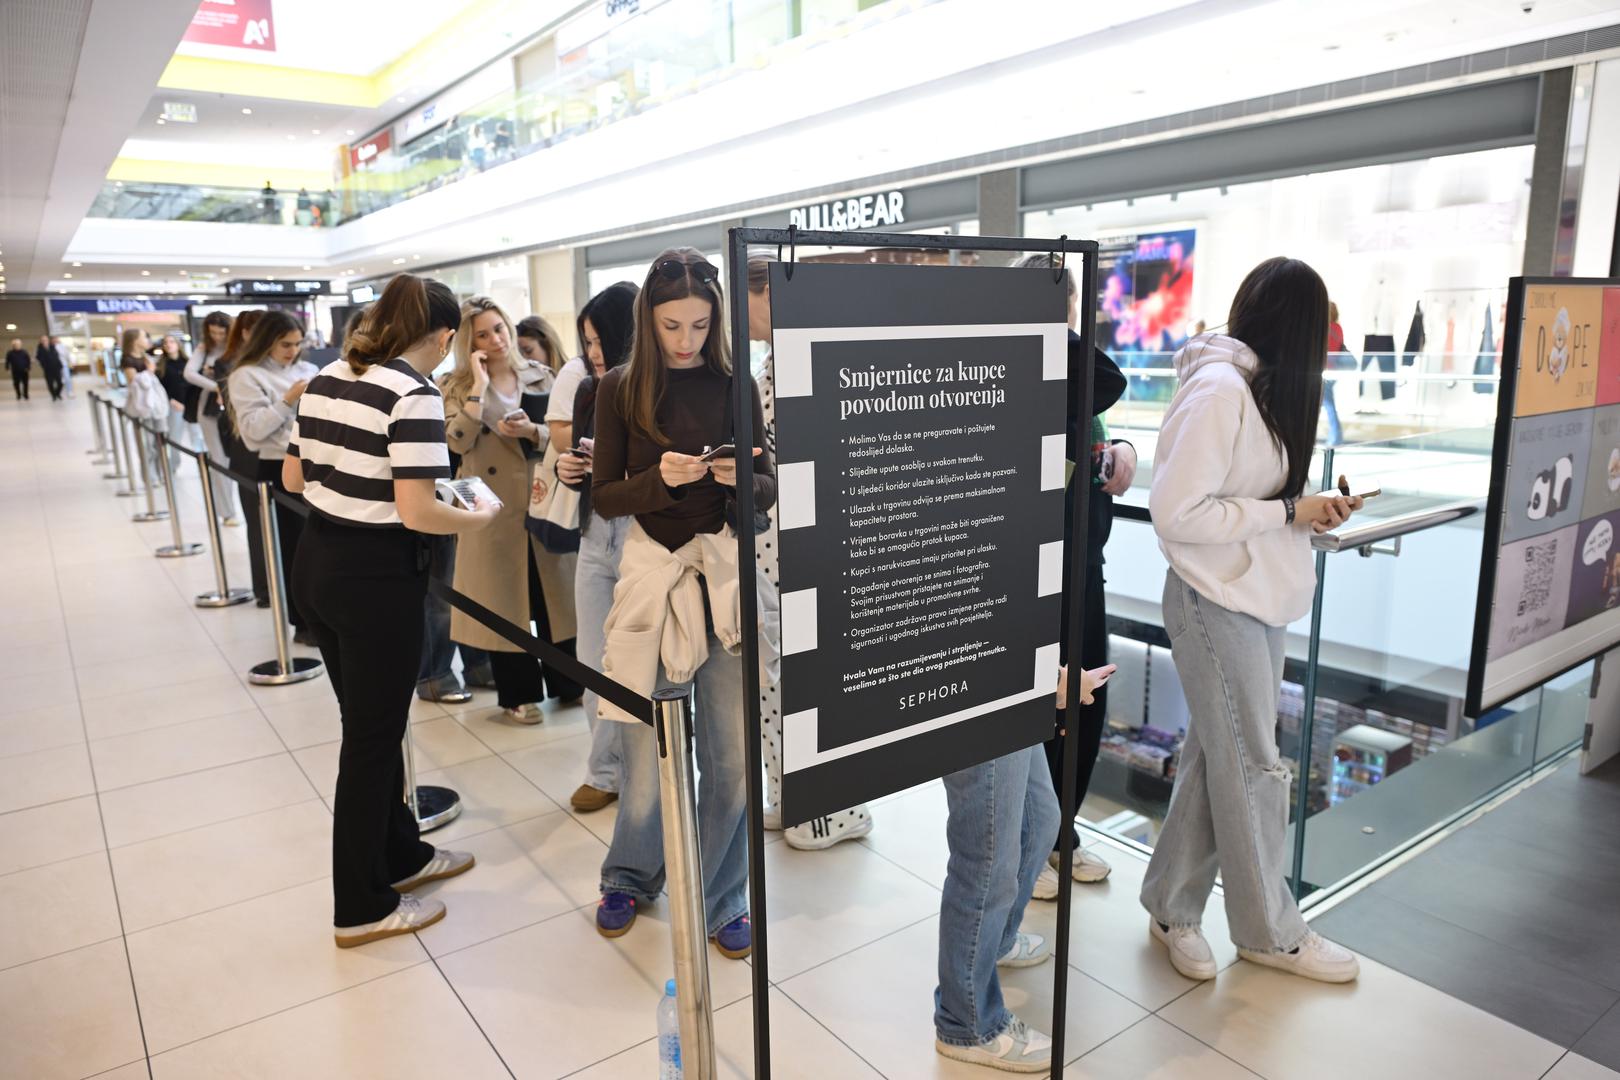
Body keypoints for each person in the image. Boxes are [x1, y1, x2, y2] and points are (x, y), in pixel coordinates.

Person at [1140, 256, 1363, 985]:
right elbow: (1175, 513)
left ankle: (1171, 905)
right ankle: (1271, 932)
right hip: (1216, 602)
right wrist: (1289, 510)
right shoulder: (1218, 390)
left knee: (1220, 761)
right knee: (1254, 767)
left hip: (1254, 598)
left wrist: (1310, 511)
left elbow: (1252, 502)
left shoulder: (1254, 390)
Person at [284, 272, 498, 947]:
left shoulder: (323, 380)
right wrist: (479, 513)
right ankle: (360, 906)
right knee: (373, 740)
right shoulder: (412, 394)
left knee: (371, 725)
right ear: (440, 335)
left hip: (319, 564)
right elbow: (417, 510)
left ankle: (401, 857)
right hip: (376, 578)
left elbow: (293, 477)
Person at [590, 248, 771, 959]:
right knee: (644, 750)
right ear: (649, 319)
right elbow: (604, 495)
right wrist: (659, 481)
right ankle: (630, 874)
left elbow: (765, 492)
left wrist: (740, 479)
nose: (686, 340)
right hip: (651, 578)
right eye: (672, 326)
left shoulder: (737, 388)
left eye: (699, 324)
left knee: (730, 760)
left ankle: (723, 895)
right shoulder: (618, 388)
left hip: (722, 577)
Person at [1007, 254, 1129, 898]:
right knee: (1044, 703)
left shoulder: (1068, 371)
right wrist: (1046, 320)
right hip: (1034, 567)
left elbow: (1101, 412)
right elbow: (1108, 376)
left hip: (1084, 560)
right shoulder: (1024, 368)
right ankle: (1042, 837)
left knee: (1088, 699)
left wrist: (1123, 450)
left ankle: (1061, 833)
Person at [743, 257, 875, 850]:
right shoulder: (783, 359)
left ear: (767, 294)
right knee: (785, 680)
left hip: (796, 548)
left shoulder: (802, 359)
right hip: (783, 547)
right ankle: (805, 801)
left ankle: (816, 804)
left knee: (795, 681)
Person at [933, 661, 1113, 1073]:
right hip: (984, 682)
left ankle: (991, 942)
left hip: (1010, 680)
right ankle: (967, 1022)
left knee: (1041, 820)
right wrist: (1052, 680)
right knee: (986, 856)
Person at [442, 297, 580, 722]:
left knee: (554, 597)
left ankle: (569, 684)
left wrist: (531, 432)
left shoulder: (541, 376)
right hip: (489, 505)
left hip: (541, 498)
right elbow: (455, 443)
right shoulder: (452, 385)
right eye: (482, 334)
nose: (496, 340)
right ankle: (518, 696)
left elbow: (562, 435)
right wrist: (478, 392)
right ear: (468, 341)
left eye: (499, 328)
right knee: (506, 604)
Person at [555, 282, 638, 813]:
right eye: (586, 342)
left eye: (599, 339)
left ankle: (644, 770)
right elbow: (582, 469)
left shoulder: (658, 390)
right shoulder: (589, 390)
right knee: (591, 661)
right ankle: (604, 770)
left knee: (638, 660)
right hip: (594, 531)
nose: (593, 353)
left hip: (642, 533)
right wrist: (570, 469)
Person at [228, 310, 320, 643]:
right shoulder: (247, 376)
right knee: (294, 551)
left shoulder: (309, 369)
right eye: (285, 343)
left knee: (322, 550)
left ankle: (323, 617)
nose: (292, 350)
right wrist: (288, 400)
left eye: (297, 343)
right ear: (267, 340)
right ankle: (302, 622)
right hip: (277, 467)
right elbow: (253, 432)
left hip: (318, 466)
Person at [184, 312, 241, 525]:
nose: (217, 336)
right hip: (210, 407)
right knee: (219, 458)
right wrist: (216, 386)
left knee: (238, 458)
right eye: (213, 332)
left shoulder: (238, 347)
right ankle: (227, 512)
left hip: (237, 404)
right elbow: (189, 373)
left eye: (221, 332)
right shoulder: (204, 348)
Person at [155, 334, 197, 475]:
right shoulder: (161, 366)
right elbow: (159, 387)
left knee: (197, 436)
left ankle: (202, 464)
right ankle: (173, 466)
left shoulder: (189, 363)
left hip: (191, 405)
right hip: (174, 406)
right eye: (165, 342)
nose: (168, 345)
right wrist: (170, 400)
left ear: (178, 344)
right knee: (175, 437)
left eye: (172, 342)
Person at [1322, 301, 1349, 446]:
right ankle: (1334, 436)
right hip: (1333, 372)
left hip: (1325, 372)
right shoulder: (1338, 328)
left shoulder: (1326, 329)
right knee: (1327, 404)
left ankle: (1336, 437)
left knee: (1328, 405)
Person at [35, 337, 64, 401]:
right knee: (50, 384)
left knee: (60, 383)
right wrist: (43, 365)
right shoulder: (39, 349)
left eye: (46, 340)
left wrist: (60, 365)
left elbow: (57, 356)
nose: (45, 341)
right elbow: (38, 358)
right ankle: (53, 395)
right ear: (41, 342)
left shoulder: (52, 347)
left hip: (56, 368)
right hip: (47, 369)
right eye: (43, 340)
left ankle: (57, 393)